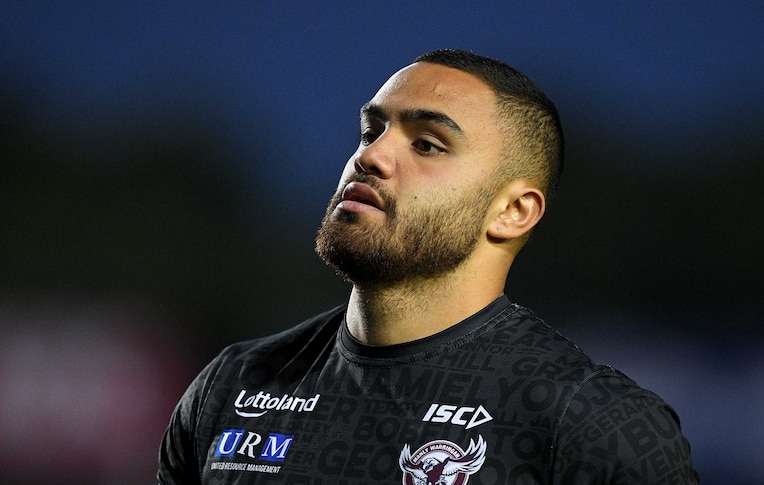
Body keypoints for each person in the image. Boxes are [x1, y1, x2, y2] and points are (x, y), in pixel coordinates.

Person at [157, 49, 699, 484]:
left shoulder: (592, 422)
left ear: (512, 212)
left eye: (427, 144)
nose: (370, 157)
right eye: (372, 131)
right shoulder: (230, 388)